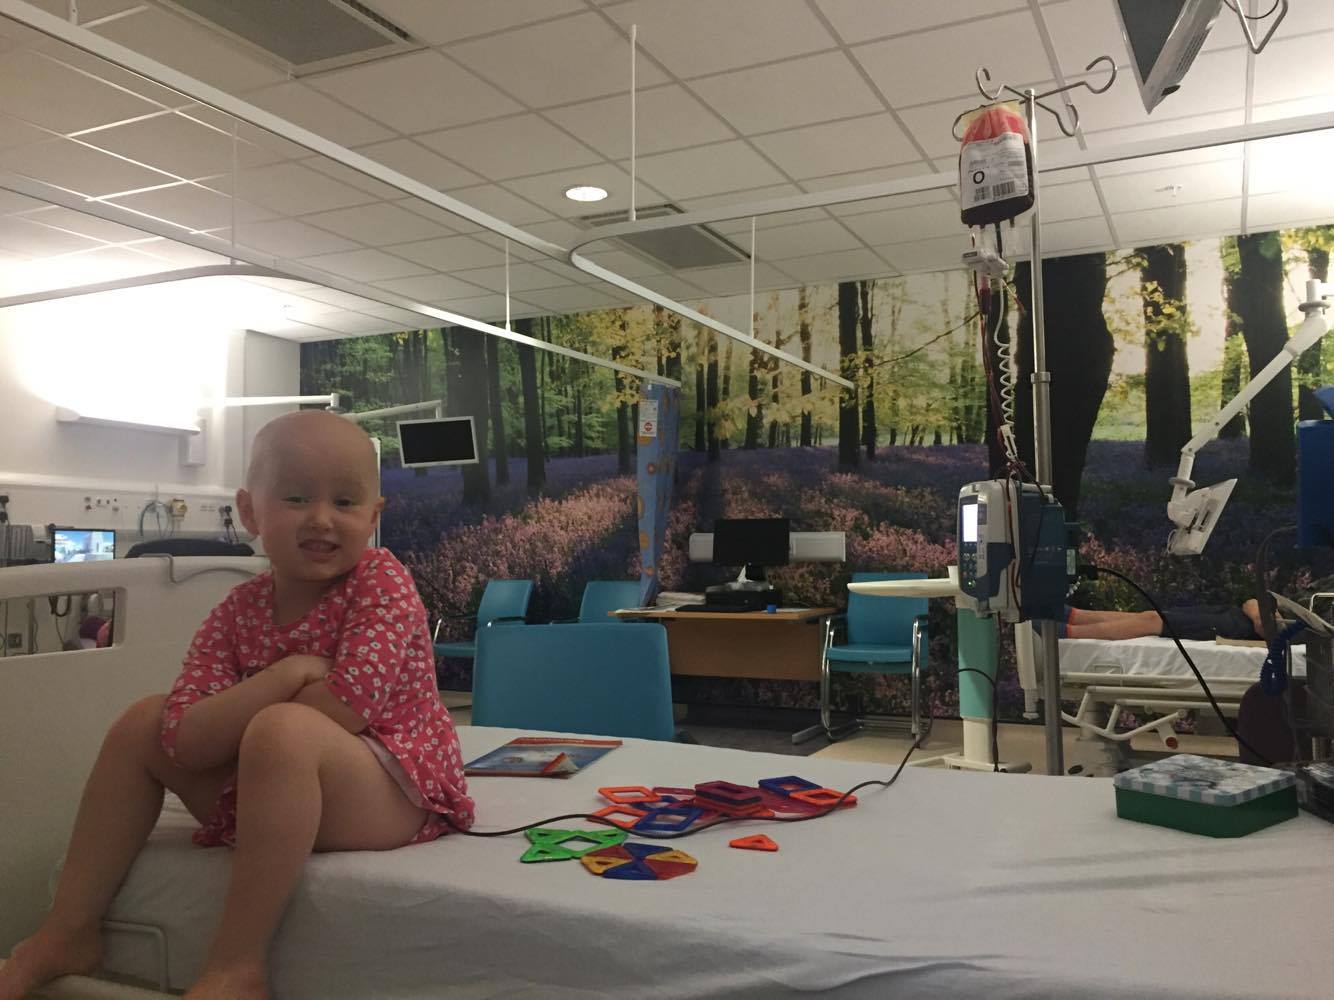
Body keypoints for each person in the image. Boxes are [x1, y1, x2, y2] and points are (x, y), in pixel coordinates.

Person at [0, 410, 474, 1000]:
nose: (321, 518)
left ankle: (236, 966)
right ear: (250, 511)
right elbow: (184, 739)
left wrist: (253, 712)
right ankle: (69, 929)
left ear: (373, 517)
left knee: (283, 730)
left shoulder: (381, 581)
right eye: (296, 498)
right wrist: (286, 674)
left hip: (392, 789)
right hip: (268, 785)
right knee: (142, 722)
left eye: (345, 502)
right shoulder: (238, 608)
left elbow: (345, 710)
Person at [1060, 599, 1264, 641]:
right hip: (1230, 613)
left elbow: (1265, 629)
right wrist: (1259, 614)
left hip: (1236, 632)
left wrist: (1268, 623)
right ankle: (1074, 616)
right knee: (1147, 616)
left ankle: (1066, 632)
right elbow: (1251, 602)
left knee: (1153, 620)